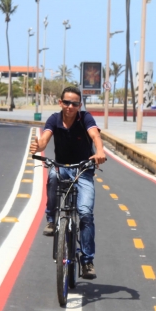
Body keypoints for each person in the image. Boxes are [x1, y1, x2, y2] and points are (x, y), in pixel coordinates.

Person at [29, 86, 107, 279]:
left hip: (83, 170)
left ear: (79, 105)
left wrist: (99, 151)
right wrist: (37, 145)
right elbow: (45, 140)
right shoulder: (54, 119)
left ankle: (87, 261)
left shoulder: (85, 118)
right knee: (53, 176)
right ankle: (50, 220)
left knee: (86, 213)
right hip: (61, 167)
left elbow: (95, 135)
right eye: (67, 102)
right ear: (60, 103)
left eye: (74, 103)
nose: (70, 106)